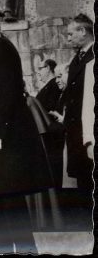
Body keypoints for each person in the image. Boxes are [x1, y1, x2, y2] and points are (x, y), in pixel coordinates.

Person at [0, 6, 52, 254]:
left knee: (0, 202)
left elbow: (4, 93)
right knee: (4, 201)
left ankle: (13, 251)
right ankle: (17, 250)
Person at [63, 14, 94, 217]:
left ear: (83, 31)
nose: (68, 38)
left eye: (70, 33)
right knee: (83, 179)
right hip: (76, 129)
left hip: (88, 129)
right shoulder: (79, 57)